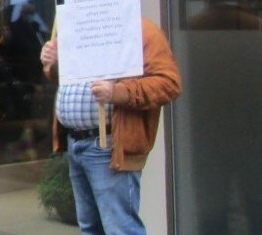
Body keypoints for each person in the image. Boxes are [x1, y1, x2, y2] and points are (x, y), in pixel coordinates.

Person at [41, 17, 181, 235]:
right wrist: (54, 62)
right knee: (90, 227)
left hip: (108, 146)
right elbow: (66, 77)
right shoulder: (78, 26)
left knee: (120, 229)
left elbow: (168, 83)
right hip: (75, 142)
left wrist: (118, 93)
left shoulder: (139, 29)